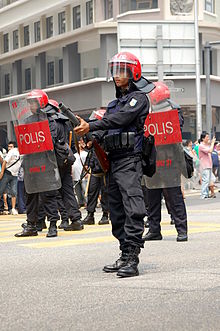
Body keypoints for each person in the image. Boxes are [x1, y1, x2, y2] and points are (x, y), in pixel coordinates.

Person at [74, 51, 155, 277]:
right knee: (116, 211)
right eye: (115, 70)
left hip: (130, 159)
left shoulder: (138, 99)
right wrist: (92, 138)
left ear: (133, 72)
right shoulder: (113, 104)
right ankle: (123, 252)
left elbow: (121, 120)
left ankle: (132, 258)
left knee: (133, 209)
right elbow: (109, 127)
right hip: (113, 161)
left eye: (122, 70)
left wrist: (91, 126)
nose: (117, 75)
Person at [142, 81, 188, 242]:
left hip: (167, 160)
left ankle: (181, 230)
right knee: (152, 197)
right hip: (155, 160)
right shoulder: (147, 110)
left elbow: (177, 131)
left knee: (173, 196)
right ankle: (155, 230)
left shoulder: (173, 110)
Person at [82, 148, 110, 225]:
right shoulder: (93, 140)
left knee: (105, 193)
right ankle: (90, 215)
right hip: (94, 169)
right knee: (91, 192)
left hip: (104, 169)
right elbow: (91, 150)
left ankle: (105, 215)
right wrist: (87, 163)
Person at [0, 141, 21, 215]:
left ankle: (13, 208)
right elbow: (5, 162)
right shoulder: (13, 151)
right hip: (7, 172)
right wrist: (2, 173)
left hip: (15, 175)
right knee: (1, 190)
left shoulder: (23, 153)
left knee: (14, 192)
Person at [199, 132, 215, 199]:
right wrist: (213, 143)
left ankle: (206, 193)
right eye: (207, 137)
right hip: (205, 165)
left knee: (210, 180)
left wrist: (211, 143)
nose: (208, 138)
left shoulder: (206, 145)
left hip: (209, 165)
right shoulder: (201, 146)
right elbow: (210, 150)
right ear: (203, 138)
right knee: (205, 180)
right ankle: (203, 195)